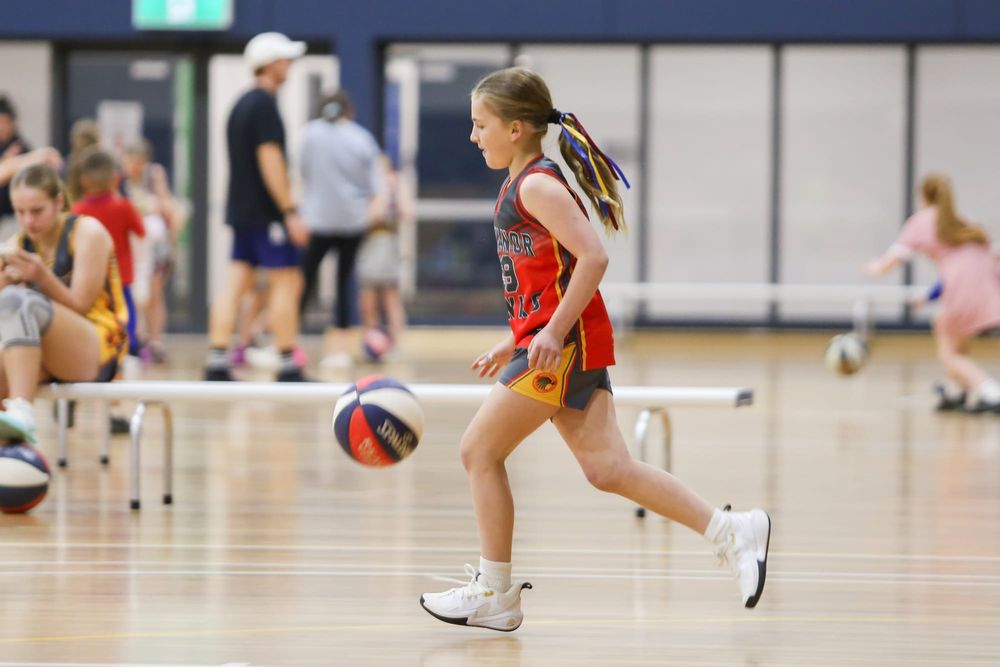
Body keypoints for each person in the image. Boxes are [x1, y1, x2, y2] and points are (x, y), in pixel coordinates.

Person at [418, 67, 771, 632]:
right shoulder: (522, 182)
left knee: (478, 452)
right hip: (554, 340)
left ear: (515, 128)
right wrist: (514, 336)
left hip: (564, 345)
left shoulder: (537, 184)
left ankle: (495, 590)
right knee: (608, 468)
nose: (472, 135)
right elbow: (546, 279)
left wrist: (552, 333)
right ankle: (733, 531)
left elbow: (593, 258)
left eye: (479, 124)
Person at [204, 32, 310, 383]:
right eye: (286, 60)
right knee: (287, 281)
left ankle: (217, 357)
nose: (290, 66)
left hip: (242, 211)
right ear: (272, 63)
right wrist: (289, 211)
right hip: (267, 215)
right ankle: (287, 361)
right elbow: (270, 161)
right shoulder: (265, 105)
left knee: (237, 281)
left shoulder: (240, 104)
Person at [0, 163, 127, 445]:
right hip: (48, 352)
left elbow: (80, 304)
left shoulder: (86, 231)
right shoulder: (19, 242)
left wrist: (40, 277)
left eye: (36, 211)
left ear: (58, 202)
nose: (28, 221)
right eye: (20, 212)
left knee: (18, 301)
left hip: (98, 347)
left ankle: (22, 410)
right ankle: (11, 460)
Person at [867, 174, 1000, 412]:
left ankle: (990, 391)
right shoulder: (963, 221)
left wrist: (875, 267)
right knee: (956, 342)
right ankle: (958, 391)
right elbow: (971, 266)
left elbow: (893, 260)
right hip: (988, 288)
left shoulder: (921, 221)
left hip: (964, 290)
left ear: (923, 197)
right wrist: (930, 296)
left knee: (948, 353)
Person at [298, 90, 382, 369]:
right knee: (345, 282)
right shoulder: (361, 138)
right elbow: (375, 186)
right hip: (352, 221)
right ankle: (340, 350)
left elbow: (302, 173)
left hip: (317, 220)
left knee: (304, 280)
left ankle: (288, 344)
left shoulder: (308, 135)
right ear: (350, 110)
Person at [71, 147, 146, 359]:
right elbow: (141, 232)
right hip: (121, 274)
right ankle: (127, 349)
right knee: (126, 313)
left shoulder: (77, 211)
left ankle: (96, 348)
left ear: (84, 180)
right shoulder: (124, 207)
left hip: (89, 276)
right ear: (115, 179)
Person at [121, 139, 182, 363]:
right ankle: (136, 336)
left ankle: (156, 339)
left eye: (139, 162)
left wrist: (155, 201)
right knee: (134, 292)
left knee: (155, 292)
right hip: (131, 245)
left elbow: (170, 210)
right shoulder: (120, 183)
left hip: (154, 244)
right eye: (130, 161)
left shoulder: (154, 177)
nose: (134, 167)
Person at [356, 155, 411, 358]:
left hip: (386, 243)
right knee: (368, 295)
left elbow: (405, 211)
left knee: (390, 294)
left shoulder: (394, 183)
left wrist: (389, 194)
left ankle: (395, 343)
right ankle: (369, 339)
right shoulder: (363, 186)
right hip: (368, 243)